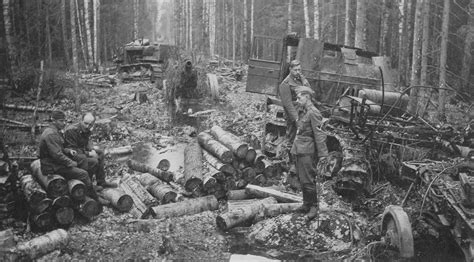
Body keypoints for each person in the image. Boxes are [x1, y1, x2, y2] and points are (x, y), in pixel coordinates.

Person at [38, 110, 98, 200]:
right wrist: (71, 163)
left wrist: (68, 151)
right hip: (52, 167)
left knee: (89, 161)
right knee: (84, 173)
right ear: (53, 121)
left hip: (56, 164)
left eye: (64, 120)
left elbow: (59, 149)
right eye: (61, 121)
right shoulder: (51, 134)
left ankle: (84, 187)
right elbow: (57, 155)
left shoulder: (55, 131)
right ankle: (92, 197)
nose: (64, 123)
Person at [291, 86, 328, 220]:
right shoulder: (303, 111)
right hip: (300, 149)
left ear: (307, 97)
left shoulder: (313, 113)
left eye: (299, 97)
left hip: (308, 151)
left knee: (308, 180)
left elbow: (320, 135)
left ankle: (313, 207)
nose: (297, 99)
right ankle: (306, 204)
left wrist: (323, 154)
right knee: (302, 179)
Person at [63, 112, 117, 189]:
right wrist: (89, 153)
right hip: (71, 156)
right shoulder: (71, 131)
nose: (87, 126)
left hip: (81, 153)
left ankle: (101, 182)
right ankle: (89, 185)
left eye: (90, 124)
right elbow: (73, 150)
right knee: (93, 161)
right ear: (81, 121)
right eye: (85, 123)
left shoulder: (87, 129)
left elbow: (86, 142)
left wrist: (91, 149)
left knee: (100, 153)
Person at [278, 60, 310, 143]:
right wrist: (296, 118)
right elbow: (288, 104)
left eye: (299, 70)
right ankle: (288, 153)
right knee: (292, 137)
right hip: (293, 114)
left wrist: (303, 79)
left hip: (302, 111)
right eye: (295, 70)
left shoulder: (300, 79)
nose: (298, 72)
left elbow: (308, 90)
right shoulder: (285, 84)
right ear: (290, 69)